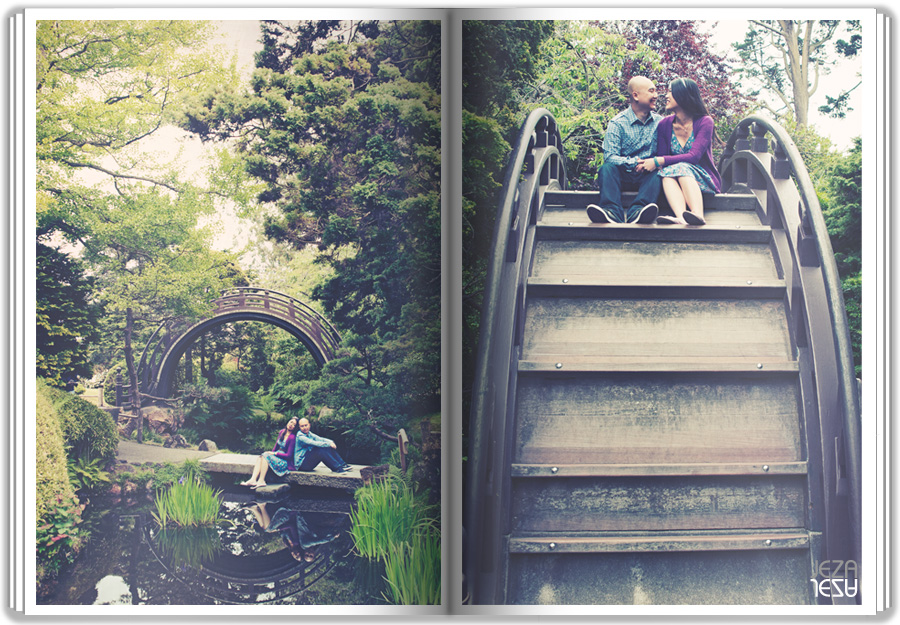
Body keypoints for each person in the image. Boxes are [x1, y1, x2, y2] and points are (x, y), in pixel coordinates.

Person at [644, 77, 722, 226]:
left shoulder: (705, 122)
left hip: (703, 176)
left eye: (670, 92)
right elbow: (663, 156)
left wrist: (659, 161)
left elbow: (694, 157)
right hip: (676, 176)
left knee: (681, 167)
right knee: (666, 173)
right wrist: (660, 161)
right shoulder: (664, 124)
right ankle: (681, 216)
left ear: (683, 95)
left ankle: (697, 215)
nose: (666, 96)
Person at [587, 75, 662, 224]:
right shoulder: (617, 123)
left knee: (660, 172)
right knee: (606, 168)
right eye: (651, 91)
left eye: (655, 91)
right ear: (635, 95)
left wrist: (652, 163)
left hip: (648, 176)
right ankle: (612, 211)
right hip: (623, 175)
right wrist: (634, 162)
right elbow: (610, 156)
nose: (656, 95)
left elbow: (665, 153)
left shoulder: (660, 122)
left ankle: (639, 211)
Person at [241, 417, 298, 489]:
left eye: (294, 425)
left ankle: (261, 480)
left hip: (284, 461)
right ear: (288, 422)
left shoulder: (292, 437)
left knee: (265, 456)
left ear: (295, 428)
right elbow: (276, 447)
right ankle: (253, 479)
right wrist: (271, 453)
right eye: (291, 422)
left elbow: (289, 456)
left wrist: (274, 454)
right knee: (261, 456)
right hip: (277, 457)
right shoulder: (282, 432)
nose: (291, 425)